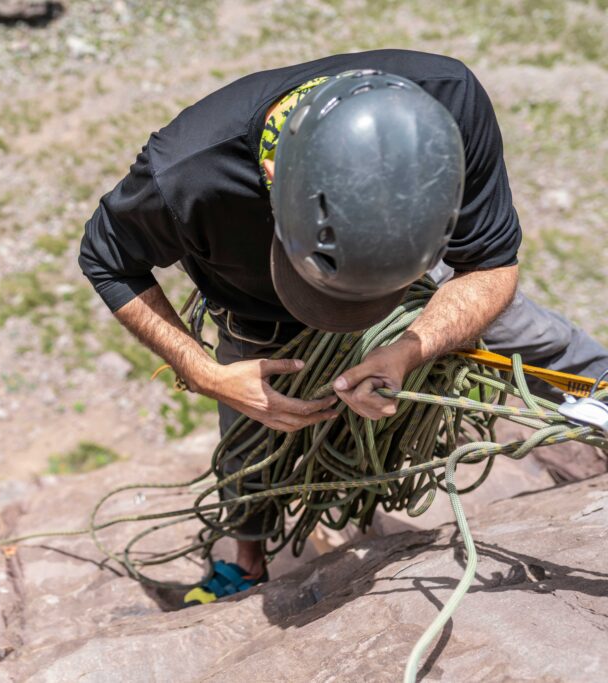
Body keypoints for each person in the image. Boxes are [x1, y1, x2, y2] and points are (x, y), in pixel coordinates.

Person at [78, 49, 608, 603]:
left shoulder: (449, 104)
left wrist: (409, 347)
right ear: (274, 180)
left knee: (535, 337)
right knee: (249, 447)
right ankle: (248, 559)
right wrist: (208, 374)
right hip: (258, 313)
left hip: (418, 280)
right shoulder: (187, 172)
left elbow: (490, 267)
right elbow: (106, 260)